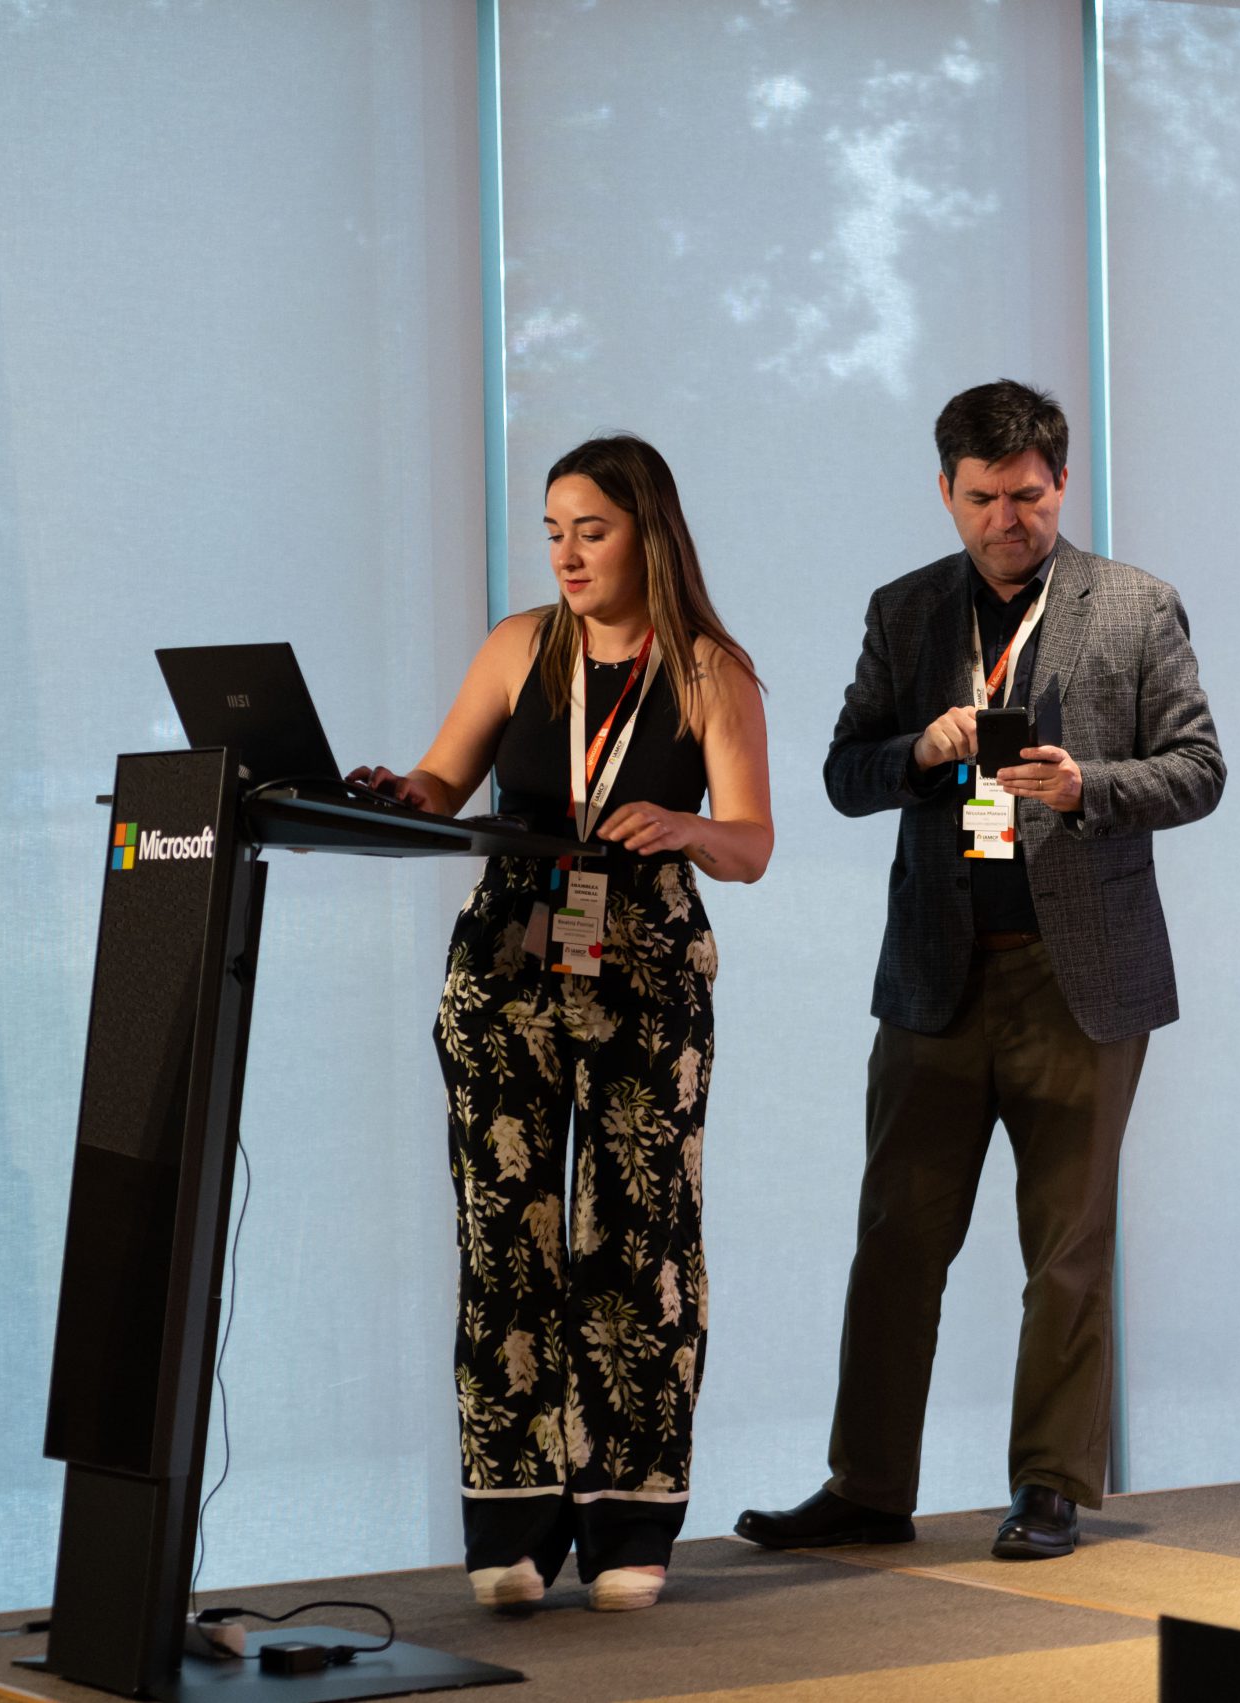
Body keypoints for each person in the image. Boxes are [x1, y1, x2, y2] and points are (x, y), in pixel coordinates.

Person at [736, 379, 1222, 1563]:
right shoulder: (904, 611)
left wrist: (1089, 784)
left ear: (1063, 483)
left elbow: (1199, 768)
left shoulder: (1135, 605)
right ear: (946, 492)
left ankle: (1050, 1484)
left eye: (1030, 495)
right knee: (895, 1237)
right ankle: (866, 1486)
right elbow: (843, 774)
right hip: (935, 977)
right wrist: (920, 748)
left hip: (1081, 978)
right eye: (984, 497)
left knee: (1067, 1248)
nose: (1009, 518)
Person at [348, 434, 771, 1613]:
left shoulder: (708, 668)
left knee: (638, 1240)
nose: (567, 554)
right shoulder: (517, 646)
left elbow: (751, 842)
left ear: (649, 533)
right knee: (505, 1236)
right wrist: (401, 793)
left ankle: (629, 1519)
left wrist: (687, 828)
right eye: (553, 532)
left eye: (591, 530)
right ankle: (512, 1523)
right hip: (508, 957)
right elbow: (442, 781)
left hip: (646, 963)